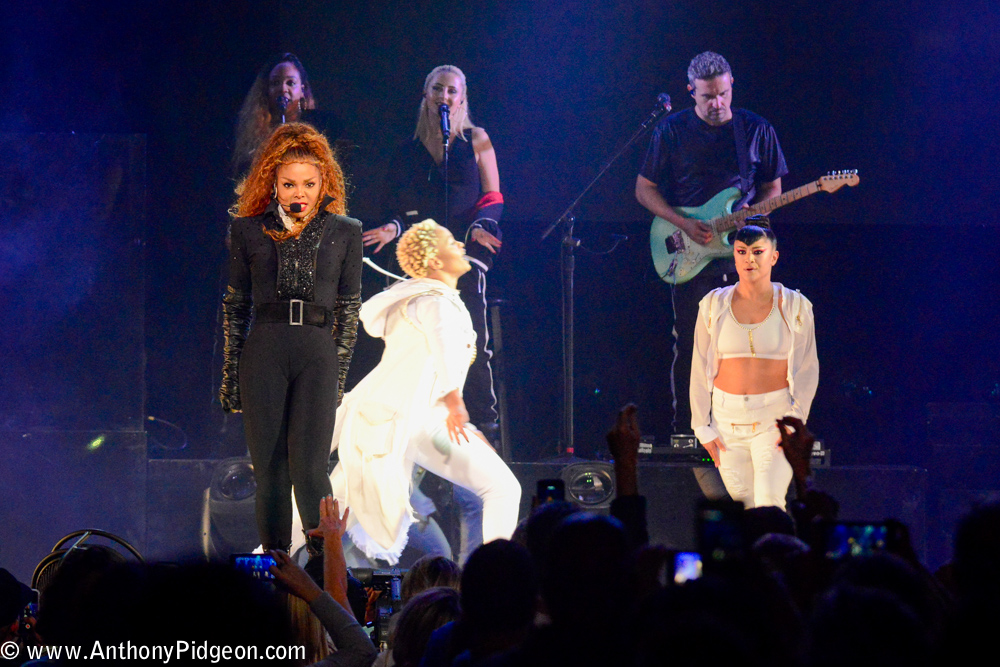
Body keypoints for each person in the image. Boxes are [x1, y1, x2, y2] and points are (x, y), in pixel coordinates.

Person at [330, 219, 520, 565]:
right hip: (412, 422)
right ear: (434, 260)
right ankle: (496, 576)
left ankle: (264, 560)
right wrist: (456, 404)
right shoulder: (434, 302)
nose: (460, 246)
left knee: (333, 501)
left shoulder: (428, 299)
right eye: (452, 242)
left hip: (407, 421)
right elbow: (444, 348)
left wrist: (467, 426)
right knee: (503, 489)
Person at [220, 122, 363, 553]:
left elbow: (349, 309)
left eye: (308, 183)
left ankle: (325, 568)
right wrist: (230, 374)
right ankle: (277, 572)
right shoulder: (248, 230)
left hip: (316, 352)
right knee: (270, 472)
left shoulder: (345, 231)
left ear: (324, 185)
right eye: (288, 184)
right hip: (264, 350)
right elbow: (236, 305)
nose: (298, 192)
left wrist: (337, 374)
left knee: (311, 468)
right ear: (273, 184)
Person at [636, 51, 788, 436]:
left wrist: (757, 214)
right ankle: (691, 429)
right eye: (708, 97)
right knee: (693, 343)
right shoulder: (670, 130)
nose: (718, 104)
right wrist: (682, 222)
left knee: (750, 342)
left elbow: (773, 184)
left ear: (731, 84)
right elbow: (644, 189)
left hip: (744, 252)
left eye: (723, 94)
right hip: (692, 252)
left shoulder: (755, 129)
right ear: (691, 92)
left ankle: (748, 427)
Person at [361, 64, 503, 435]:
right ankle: (416, 421)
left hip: (464, 250)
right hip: (422, 252)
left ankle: (483, 420)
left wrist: (481, 225)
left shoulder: (477, 139)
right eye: (438, 89)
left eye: (453, 91)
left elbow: (492, 195)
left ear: (462, 98)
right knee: (419, 335)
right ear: (426, 96)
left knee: (471, 331)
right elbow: (397, 207)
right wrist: (392, 228)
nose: (445, 97)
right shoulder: (407, 152)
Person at [690, 217, 818, 510]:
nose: (749, 259)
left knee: (770, 503)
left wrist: (795, 419)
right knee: (745, 508)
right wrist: (701, 425)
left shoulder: (795, 305)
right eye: (741, 252)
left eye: (757, 252)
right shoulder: (713, 304)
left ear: (773, 256)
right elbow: (698, 367)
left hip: (773, 419)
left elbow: (808, 368)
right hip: (726, 421)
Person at [232, 53, 343, 178]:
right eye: (275, 83)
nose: (283, 89)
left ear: (302, 89)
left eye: (290, 83)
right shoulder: (256, 130)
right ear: (267, 90)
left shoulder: (320, 126)